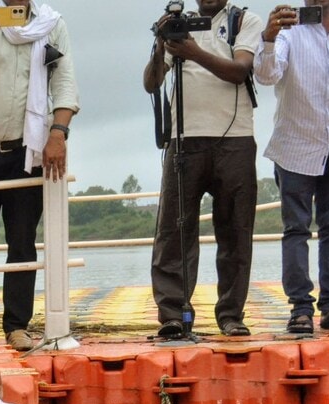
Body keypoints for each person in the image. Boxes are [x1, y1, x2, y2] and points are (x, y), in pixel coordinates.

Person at [0, 1, 78, 352]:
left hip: (29, 150)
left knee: (22, 242)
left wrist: (58, 133)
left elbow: (65, 83)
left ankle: (17, 325)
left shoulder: (51, 22)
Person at [142, 1, 261, 339]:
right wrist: (161, 41)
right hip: (184, 140)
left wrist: (193, 53)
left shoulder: (243, 20)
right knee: (173, 231)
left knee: (236, 231)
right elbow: (152, 82)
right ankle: (173, 315)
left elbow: (240, 71)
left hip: (235, 140)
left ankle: (231, 315)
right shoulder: (179, 26)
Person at [255, 2, 329, 335]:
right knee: (296, 228)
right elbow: (267, 75)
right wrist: (268, 38)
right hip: (296, 144)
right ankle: (300, 308)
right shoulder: (289, 29)